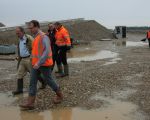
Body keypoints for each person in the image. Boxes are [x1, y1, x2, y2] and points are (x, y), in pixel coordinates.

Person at [20, 20, 63, 109]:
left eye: (31, 28)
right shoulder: (35, 38)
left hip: (44, 64)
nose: (30, 30)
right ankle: (30, 103)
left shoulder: (44, 37)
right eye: (29, 28)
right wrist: (32, 60)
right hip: (35, 64)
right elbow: (35, 52)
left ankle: (60, 95)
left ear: (37, 27)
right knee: (32, 82)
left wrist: (39, 63)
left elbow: (46, 52)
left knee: (49, 81)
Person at [12, 27, 46, 95]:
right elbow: (20, 49)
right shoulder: (19, 40)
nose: (17, 35)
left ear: (22, 32)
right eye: (16, 33)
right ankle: (19, 89)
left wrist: (33, 58)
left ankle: (43, 82)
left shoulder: (29, 38)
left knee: (34, 73)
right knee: (19, 74)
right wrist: (19, 56)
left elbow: (35, 48)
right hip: (22, 59)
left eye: (18, 33)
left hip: (29, 59)